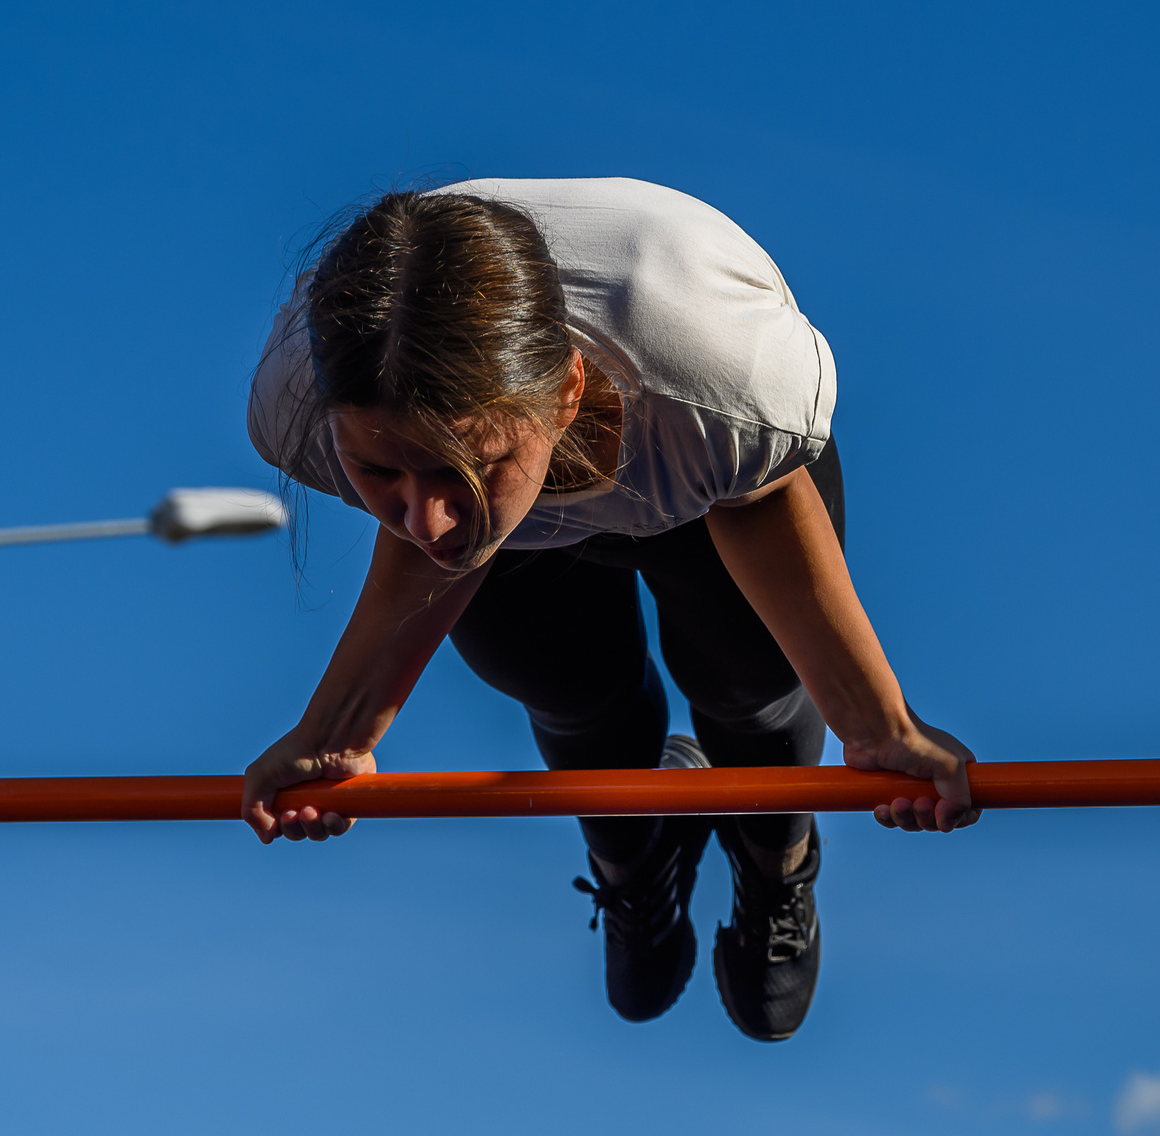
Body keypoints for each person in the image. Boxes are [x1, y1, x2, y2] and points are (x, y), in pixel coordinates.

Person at [244, 177, 975, 1041]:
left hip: (712, 471)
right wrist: (336, 732)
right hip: (530, 519)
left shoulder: (720, 371)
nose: (425, 515)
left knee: (752, 679)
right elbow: (419, 536)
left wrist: (879, 721)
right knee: (559, 681)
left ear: (564, 392)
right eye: (382, 474)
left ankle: (776, 861)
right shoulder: (303, 402)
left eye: (460, 470)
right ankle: (633, 865)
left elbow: (764, 508)